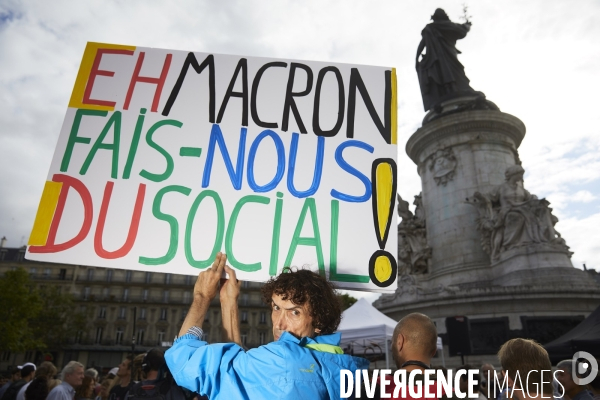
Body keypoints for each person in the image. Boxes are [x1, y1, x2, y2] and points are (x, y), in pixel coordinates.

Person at [165, 252, 369, 399]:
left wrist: (202, 296)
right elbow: (240, 380)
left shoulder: (283, 361)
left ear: (319, 322)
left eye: (294, 312)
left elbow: (183, 362)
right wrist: (229, 305)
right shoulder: (334, 364)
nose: (279, 323)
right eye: (276, 307)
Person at [415, 8, 476, 111]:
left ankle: (453, 89)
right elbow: (462, 30)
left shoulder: (431, 27)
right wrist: (467, 26)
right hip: (443, 56)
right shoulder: (436, 27)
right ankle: (451, 90)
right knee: (450, 72)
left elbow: (422, 44)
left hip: (443, 56)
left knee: (449, 72)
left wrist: (416, 58)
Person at [379, 313, 440, 399]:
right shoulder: (450, 393)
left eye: (392, 342)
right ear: (434, 351)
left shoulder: (374, 389)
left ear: (400, 342)